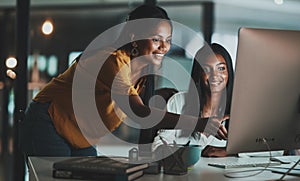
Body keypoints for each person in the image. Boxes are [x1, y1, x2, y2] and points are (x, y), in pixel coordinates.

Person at [20, 5, 227, 157]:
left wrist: (163, 97)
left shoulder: (141, 73)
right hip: (49, 120)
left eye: (168, 41)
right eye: (156, 39)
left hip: (81, 136)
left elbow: (138, 106)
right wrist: (199, 123)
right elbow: (138, 112)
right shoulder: (112, 61)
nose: (164, 47)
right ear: (135, 37)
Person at [152, 43, 234, 158]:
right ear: (198, 73)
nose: (215, 75)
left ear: (229, 72)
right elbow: (158, 146)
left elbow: (262, 149)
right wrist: (188, 152)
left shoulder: (238, 109)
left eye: (221, 68)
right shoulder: (179, 102)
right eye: (206, 69)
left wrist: (229, 151)